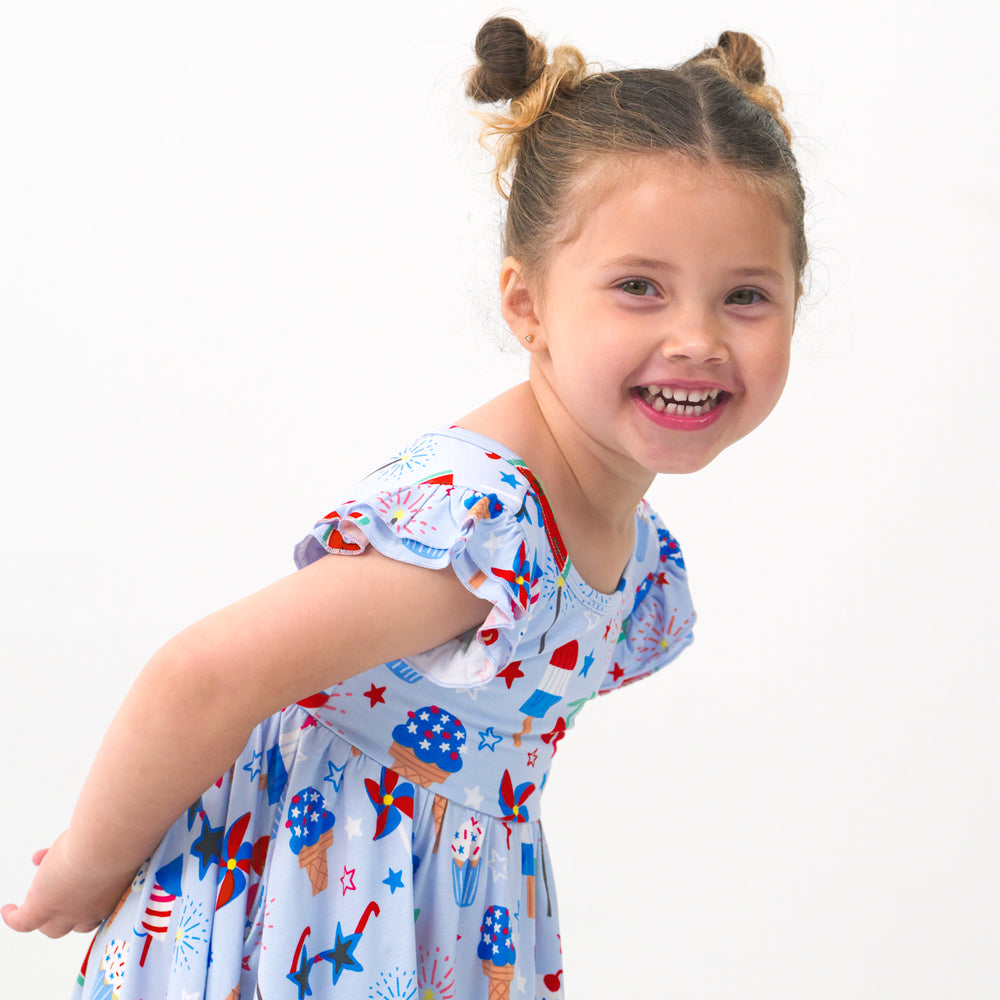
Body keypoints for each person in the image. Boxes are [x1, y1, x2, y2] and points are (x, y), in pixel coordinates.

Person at [3, 15, 807, 1000]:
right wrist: (88, 863)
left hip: (436, 915)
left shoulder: (632, 546)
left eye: (746, 297)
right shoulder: (485, 525)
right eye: (638, 287)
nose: (696, 337)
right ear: (528, 307)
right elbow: (204, 676)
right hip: (302, 915)